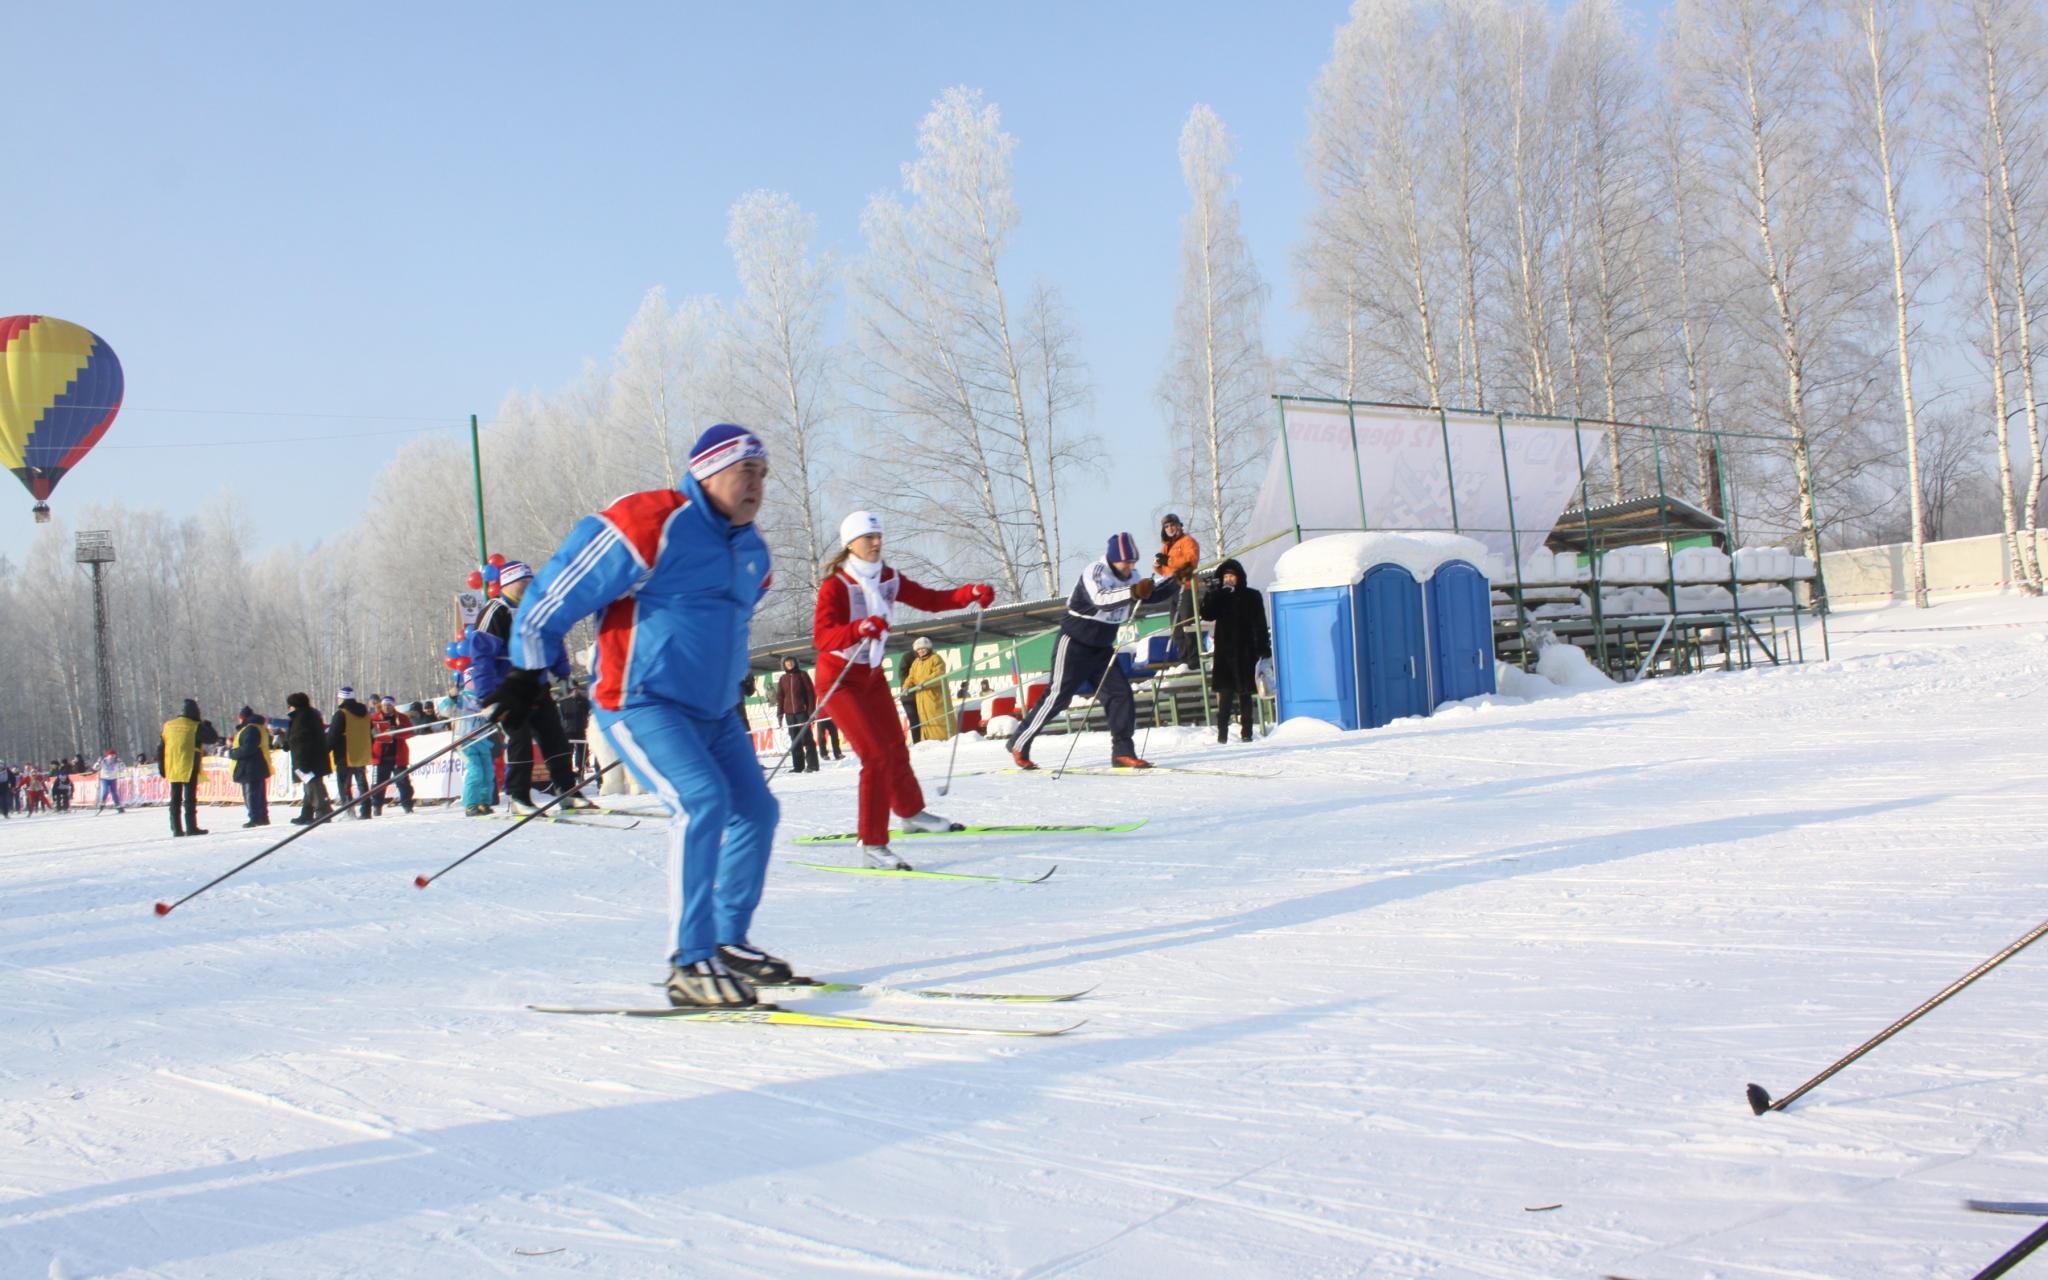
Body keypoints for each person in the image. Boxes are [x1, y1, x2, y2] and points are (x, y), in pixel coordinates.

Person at [486, 422, 786, 1008]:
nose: (755, 484)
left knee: (756, 811)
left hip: (716, 712)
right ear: (706, 474)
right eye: (743, 471)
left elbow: (723, 622)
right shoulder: (654, 522)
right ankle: (689, 960)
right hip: (641, 701)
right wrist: (527, 669)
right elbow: (560, 587)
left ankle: (727, 941)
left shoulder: (753, 552)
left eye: (762, 473)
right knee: (701, 802)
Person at [812, 510, 993, 870]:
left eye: (879, 536)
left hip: (871, 675)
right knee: (875, 757)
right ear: (851, 543)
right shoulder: (837, 585)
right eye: (869, 537)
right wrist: (857, 628)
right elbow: (822, 637)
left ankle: (910, 813)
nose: (877, 542)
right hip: (839, 679)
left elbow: (930, 600)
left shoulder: (888, 578)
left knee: (896, 747)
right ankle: (873, 844)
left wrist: (969, 593)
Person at [1009, 531, 1184, 771]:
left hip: (1102, 649)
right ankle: (1019, 742)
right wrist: (1134, 591)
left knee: (1120, 694)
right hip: (1074, 644)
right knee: (1058, 697)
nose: (1130, 567)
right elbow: (1101, 599)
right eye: (1126, 562)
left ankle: (1123, 752)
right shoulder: (1095, 572)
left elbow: (1149, 593)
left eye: (1133, 562)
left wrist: (1177, 580)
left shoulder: (1132, 577)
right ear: (1113, 559)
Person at [472, 561, 586, 813]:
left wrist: (563, 675)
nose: (529, 586)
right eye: (523, 582)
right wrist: (487, 697)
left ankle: (567, 791)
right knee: (520, 741)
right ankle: (519, 796)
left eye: (531, 581)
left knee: (556, 738)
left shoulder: (537, 608)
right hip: (508, 690)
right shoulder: (496, 610)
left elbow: (553, 642)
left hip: (537, 686)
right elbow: (481, 657)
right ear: (508, 583)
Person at [1199, 557, 1272, 744]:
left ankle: (1247, 733)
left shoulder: (1251, 596)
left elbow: (1260, 624)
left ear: (1239, 577)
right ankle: (1222, 735)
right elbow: (1206, 614)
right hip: (1224, 654)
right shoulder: (1220, 596)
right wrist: (1213, 594)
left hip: (1246, 652)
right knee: (1225, 696)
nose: (1229, 580)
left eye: (1232, 576)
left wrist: (1263, 648)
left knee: (1245, 694)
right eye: (1225, 577)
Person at [441, 683, 497, 816]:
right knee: (475, 772)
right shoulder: (462, 697)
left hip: (482, 740)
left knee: (488, 774)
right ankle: (471, 805)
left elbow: (495, 714)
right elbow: (444, 711)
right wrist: (451, 697)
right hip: (465, 741)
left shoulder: (487, 697)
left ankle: (484, 803)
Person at [1156, 513, 1202, 668]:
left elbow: (1190, 561)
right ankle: (1184, 661)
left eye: (1172, 525)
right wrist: (1158, 564)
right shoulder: (1167, 546)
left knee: (1188, 625)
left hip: (1186, 587)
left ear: (1179, 525)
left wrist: (1168, 560)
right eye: (1166, 527)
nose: (1170, 528)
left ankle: (1193, 661)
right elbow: (1166, 571)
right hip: (1173, 589)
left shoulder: (1188, 541)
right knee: (1176, 629)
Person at [159, 698, 208, 837]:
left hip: (172, 766)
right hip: (189, 765)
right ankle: (191, 827)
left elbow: (161, 748)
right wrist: (207, 726)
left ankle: (176, 828)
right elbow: (211, 738)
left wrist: (161, 767)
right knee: (189, 799)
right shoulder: (195, 726)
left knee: (175, 799)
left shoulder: (168, 725)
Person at [285, 692, 333, 825]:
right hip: (315, 758)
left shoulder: (301, 718)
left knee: (313, 786)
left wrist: (301, 762)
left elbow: (301, 741)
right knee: (309, 787)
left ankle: (323, 812)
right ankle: (307, 813)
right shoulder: (311, 715)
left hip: (307, 759)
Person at [327, 688, 374, 818]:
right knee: (362, 783)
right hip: (361, 752)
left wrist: (326, 750)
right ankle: (366, 810)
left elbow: (333, 735)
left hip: (344, 754)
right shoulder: (365, 714)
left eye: (339, 698)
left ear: (342, 699)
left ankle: (348, 811)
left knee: (344, 784)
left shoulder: (341, 714)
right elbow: (370, 731)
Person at [369, 695, 415, 815]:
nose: (386, 707)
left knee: (403, 783)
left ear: (393, 706)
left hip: (398, 757)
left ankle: (407, 805)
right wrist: (373, 733)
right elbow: (367, 734)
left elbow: (410, 732)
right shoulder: (374, 718)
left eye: (389, 705)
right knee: (378, 784)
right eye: (384, 705)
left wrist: (396, 732)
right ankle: (376, 806)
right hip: (380, 757)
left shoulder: (401, 718)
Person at [775, 655, 819, 774]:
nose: (789, 664)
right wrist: (780, 714)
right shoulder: (783, 678)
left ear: (795, 663)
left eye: (791, 662)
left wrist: (811, 711)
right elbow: (780, 697)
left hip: (802, 712)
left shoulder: (802, 675)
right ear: (784, 665)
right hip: (789, 714)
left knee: (806, 738)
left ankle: (812, 765)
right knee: (795, 740)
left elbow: (811, 694)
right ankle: (798, 766)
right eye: (787, 663)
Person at [231, 706, 273, 827]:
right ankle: (262, 817)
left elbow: (248, 748)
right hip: (259, 764)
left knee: (251, 794)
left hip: (249, 766)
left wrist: (233, 753)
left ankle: (255, 818)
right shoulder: (260, 728)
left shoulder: (250, 729)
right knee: (259, 794)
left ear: (243, 718)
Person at [905, 637, 953, 742]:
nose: (921, 651)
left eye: (923, 648)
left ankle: (942, 739)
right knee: (925, 720)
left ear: (928, 648)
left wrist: (925, 682)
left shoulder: (936, 658)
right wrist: (906, 686)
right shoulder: (916, 662)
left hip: (935, 696)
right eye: (918, 649)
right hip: (921, 696)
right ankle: (928, 740)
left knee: (937, 718)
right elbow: (911, 676)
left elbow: (939, 673)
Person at [559, 681, 592, 778]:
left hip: (581, 728)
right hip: (568, 730)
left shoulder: (584, 701)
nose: (575, 691)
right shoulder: (563, 702)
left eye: (576, 689)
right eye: (573, 689)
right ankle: (568, 771)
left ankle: (581, 770)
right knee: (568, 752)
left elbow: (588, 713)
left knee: (582, 752)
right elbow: (561, 716)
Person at [894, 646, 922, 745]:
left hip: (920, 695)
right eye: (919, 648)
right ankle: (918, 742)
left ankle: (922, 741)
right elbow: (903, 676)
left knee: (921, 720)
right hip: (909, 697)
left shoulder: (928, 657)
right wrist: (915, 682)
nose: (921, 650)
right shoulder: (908, 657)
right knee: (915, 720)